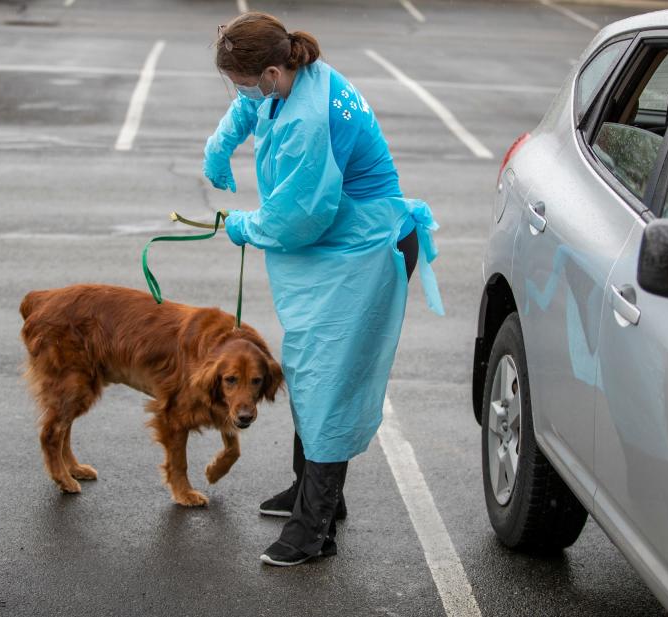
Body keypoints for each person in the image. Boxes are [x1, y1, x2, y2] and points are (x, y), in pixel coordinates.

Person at [203, 11, 443, 567]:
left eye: (241, 81)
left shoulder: (310, 118)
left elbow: (298, 218)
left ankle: (313, 529)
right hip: (345, 245)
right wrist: (220, 146)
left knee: (328, 385)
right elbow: (248, 105)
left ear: (269, 71)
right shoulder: (296, 71)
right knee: (311, 372)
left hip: (364, 250)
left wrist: (245, 225)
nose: (239, 93)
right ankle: (310, 494)